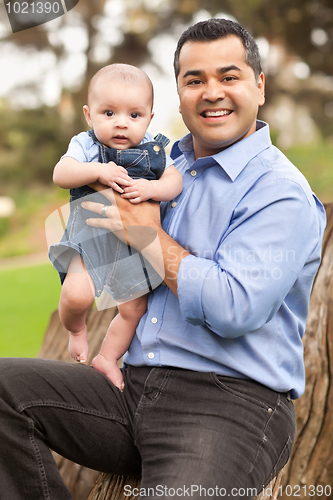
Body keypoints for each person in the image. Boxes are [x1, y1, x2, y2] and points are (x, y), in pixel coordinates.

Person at [0, 18, 326, 500]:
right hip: (132, 389)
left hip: (228, 406)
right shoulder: (161, 163)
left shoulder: (280, 193)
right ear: (179, 95)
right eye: (195, 80)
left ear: (259, 86)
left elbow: (234, 307)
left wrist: (149, 236)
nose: (211, 92)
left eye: (229, 76)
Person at [48, 63, 183, 390]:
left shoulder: (155, 147)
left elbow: (174, 180)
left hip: (133, 244)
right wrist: (96, 171)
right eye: (108, 113)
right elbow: (61, 174)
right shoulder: (85, 145)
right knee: (76, 296)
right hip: (89, 236)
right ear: (89, 114)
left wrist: (152, 189)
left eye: (134, 115)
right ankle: (77, 330)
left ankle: (107, 357)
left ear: (150, 118)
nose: (121, 122)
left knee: (134, 308)